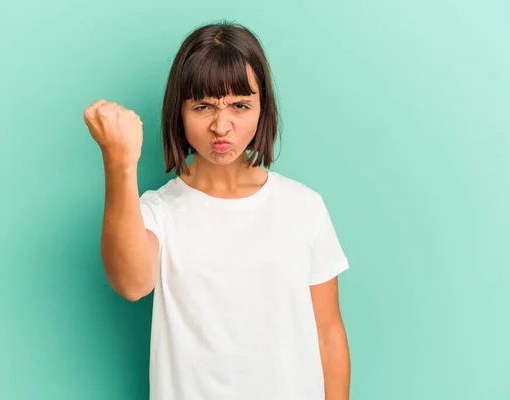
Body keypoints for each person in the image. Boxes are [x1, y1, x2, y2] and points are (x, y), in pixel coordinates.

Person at [84, 21, 351, 400]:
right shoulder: (158, 212)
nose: (221, 126)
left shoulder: (304, 207)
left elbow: (328, 334)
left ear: (263, 108)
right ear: (179, 111)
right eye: (203, 106)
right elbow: (130, 284)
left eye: (240, 105)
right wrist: (119, 160)